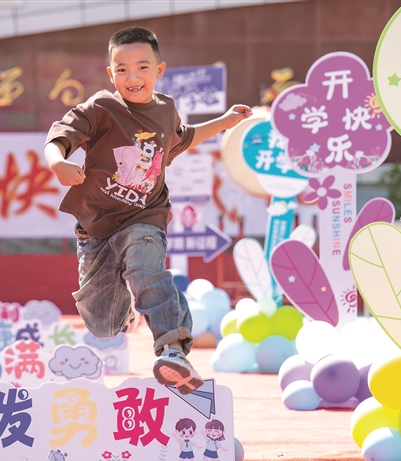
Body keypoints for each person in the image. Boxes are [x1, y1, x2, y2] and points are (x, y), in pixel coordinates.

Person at [44, 26, 251, 394]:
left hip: (145, 217)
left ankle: (173, 350)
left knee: (146, 268)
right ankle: (124, 309)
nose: (132, 76)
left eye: (142, 67)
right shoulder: (102, 107)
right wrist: (57, 162)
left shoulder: (166, 110)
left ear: (159, 70)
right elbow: (61, 134)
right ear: (111, 74)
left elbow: (182, 139)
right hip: (96, 227)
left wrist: (224, 122)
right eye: (122, 69)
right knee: (103, 324)